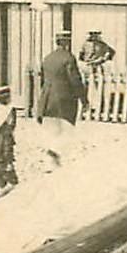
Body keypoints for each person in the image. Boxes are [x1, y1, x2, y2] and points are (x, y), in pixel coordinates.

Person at [37, 30, 87, 165]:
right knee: (67, 129)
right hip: (64, 99)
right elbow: (75, 81)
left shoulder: (47, 58)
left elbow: (42, 78)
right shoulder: (68, 58)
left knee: (52, 129)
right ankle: (54, 152)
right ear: (66, 42)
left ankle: (50, 159)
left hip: (47, 98)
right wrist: (84, 99)